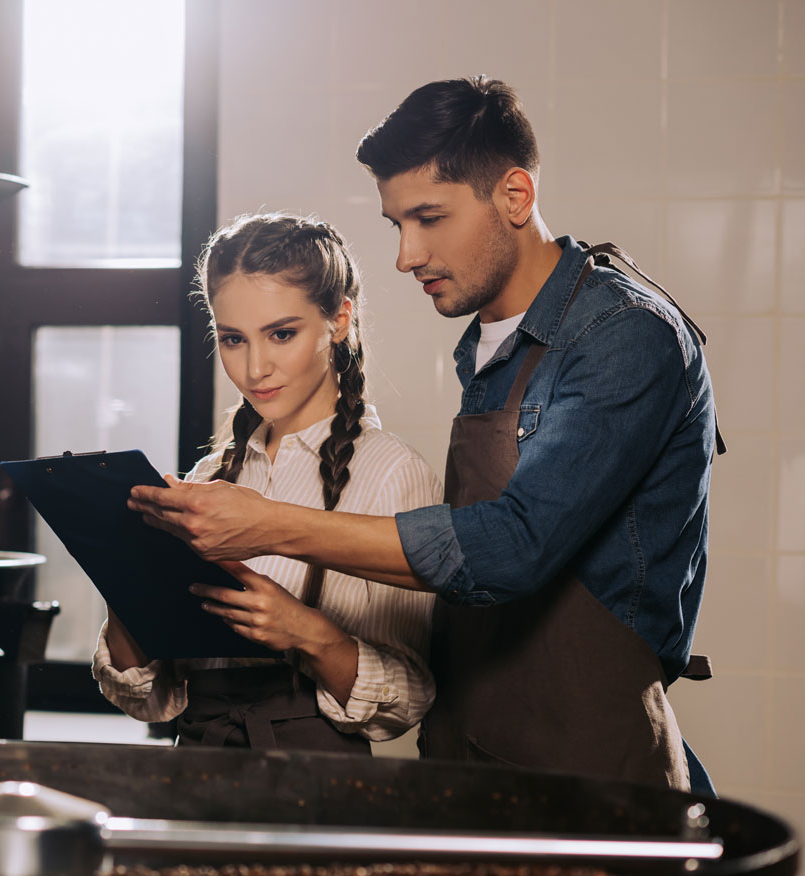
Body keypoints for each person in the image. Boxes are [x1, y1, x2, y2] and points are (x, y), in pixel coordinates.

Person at [128, 77, 719, 795]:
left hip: (591, 773)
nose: (407, 255)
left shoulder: (625, 335)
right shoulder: (488, 348)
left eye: (429, 218)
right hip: (467, 756)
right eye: (396, 225)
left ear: (514, 197)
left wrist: (268, 529)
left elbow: (511, 548)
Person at [93, 213, 442, 752]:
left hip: (319, 795)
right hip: (194, 774)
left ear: (340, 320)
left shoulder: (392, 473)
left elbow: (409, 700)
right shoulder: (211, 476)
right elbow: (146, 698)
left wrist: (305, 631)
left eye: (282, 334)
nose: (256, 368)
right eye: (233, 339)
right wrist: (129, 580)